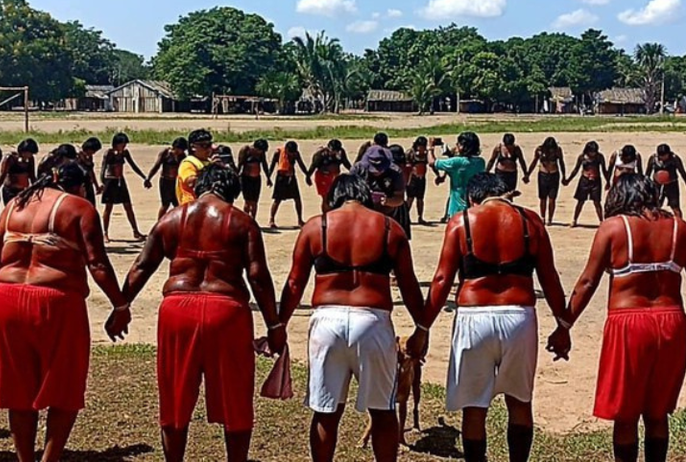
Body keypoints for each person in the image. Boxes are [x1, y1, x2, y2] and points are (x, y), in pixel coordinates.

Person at [118, 164, 286, 462]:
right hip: (226, 310)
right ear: (231, 192)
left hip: (177, 310)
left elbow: (142, 266)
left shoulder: (171, 219)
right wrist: (274, 325)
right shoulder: (242, 222)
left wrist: (122, 305)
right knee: (236, 397)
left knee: (175, 394)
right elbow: (258, 277)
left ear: (198, 187)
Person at [0, 161, 130, 462]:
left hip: (6, 298)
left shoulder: (12, 206)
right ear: (79, 186)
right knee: (64, 385)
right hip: (56, 302)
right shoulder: (79, 208)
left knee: (19, 390)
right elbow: (97, 263)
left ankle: (25, 459)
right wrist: (120, 304)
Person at [415, 173, 570, 462]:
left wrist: (423, 327)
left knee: (474, 407)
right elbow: (549, 277)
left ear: (473, 198)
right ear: (507, 193)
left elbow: (441, 280)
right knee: (520, 401)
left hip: (474, 318)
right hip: (519, 317)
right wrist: (563, 325)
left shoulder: (461, 222)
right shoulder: (531, 221)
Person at [278, 174, 427, 462]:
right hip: (373, 322)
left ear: (334, 197)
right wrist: (422, 327)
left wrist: (279, 325)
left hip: (326, 322)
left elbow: (295, 284)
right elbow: (409, 285)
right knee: (383, 411)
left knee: (326, 412)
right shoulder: (390, 229)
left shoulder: (315, 227)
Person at [555, 174, 686, 462]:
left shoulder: (613, 228)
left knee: (625, 415)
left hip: (629, 323)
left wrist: (564, 325)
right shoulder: (679, 227)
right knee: (657, 411)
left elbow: (588, 282)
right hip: (673, 321)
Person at [352, 146, 412, 239]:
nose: (377, 172)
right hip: (362, 216)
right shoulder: (358, 170)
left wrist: (388, 201)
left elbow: (399, 198)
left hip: (389, 215)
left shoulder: (395, 172)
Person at [100, 133, 148, 242]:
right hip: (110, 181)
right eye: (123, 143)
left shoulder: (124, 153)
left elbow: (133, 165)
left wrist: (143, 177)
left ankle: (135, 231)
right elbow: (103, 168)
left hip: (120, 180)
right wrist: (102, 182)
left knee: (128, 206)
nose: (124, 146)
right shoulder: (109, 153)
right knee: (108, 208)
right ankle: (105, 233)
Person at [428, 132, 486, 220]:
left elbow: (432, 162)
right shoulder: (481, 162)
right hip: (474, 207)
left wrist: (430, 148)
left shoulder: (457, 162)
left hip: (457, 208)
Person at [564, 141, 607, 227]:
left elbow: (604, 170)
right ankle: (574, 220)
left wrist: (608, 181)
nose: (593, 153)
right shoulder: (582, 157)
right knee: (580, 201)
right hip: (584, 180)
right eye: (591, 151)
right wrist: (568, 179)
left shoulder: (599, 157)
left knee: (597, 202)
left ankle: (601, 221)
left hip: (596, 180)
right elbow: (576, 169)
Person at [524, 137, 566, 225]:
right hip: (543, 175)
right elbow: (534, 162)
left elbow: (561, 162)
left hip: (554, 175)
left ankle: (550, 218)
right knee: (543, 198)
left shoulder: (557, 150)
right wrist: (528, 174)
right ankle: (543, 217)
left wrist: (564, 176)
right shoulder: (539, 150)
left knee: (552, 199)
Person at [268, 141, 310, 229]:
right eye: (290, 152)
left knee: (297, 199)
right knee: (277, 199)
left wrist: (307, 175)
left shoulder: (296, 154)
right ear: (286, 149)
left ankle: (300, 220)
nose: (292, 154)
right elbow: (272, 165)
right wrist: (269, 177)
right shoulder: (278, 153)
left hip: (291, 177)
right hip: (281, 178)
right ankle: (271, 220)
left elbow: (301, 164)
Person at [146, 137, 188, 219]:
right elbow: (156, 166)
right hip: (165, 182)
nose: (180, 152)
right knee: (165, 204)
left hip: (175, 182)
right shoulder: (165, 153)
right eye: (179, 149)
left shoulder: (182, 156)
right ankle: (159, 224)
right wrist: (149, 178)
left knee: (178, 204)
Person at [307, 139, 352, 213]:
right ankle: (325, 216)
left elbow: (346, 162)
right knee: (326, 198)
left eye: (336, 150)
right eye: (333, 150)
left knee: (336, 196)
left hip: (335, 177)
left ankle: (333, 214)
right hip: (323, 177)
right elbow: (313, 166)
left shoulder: (341, 153)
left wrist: (352, 171)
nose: (335, 152)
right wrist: (308, 177)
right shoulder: (320, 155)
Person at [646, 143, 686, 219]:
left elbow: (682, 172)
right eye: (660, 155)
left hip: (671, 185)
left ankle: (679, 221)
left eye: (664, 155)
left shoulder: (674, 159)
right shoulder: (653, 159)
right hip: (657, 185)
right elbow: (647, 173)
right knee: (656, 205)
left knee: (675, 206)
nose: (662, 157)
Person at [176, 129, 214, 207]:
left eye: (209, 145)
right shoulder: (188, 163)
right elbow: (191, 182)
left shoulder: (209, 162)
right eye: (203, 145)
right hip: (191, 206)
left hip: (206, 205)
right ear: (193, 147)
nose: (208, 149)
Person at [237, 139, 272, 219]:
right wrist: (236, 177)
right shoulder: (246, 150)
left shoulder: (261, 153)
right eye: (259, 150)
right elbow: (240, 164)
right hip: (246, 179)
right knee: (247, 202)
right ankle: (245, 219)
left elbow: (264, 164)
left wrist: (268, 177)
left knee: (255, 202)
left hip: (256, 179)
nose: (260, 152)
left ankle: (253, 220)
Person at [0, 138, 38, 205]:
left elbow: (32, 176)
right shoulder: (10, 158)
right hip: (10, 191)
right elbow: (2, 176)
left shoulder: (30, 160)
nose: (29, 155)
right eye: (28, 153)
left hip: (23, 191)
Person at [406, 137, 432, 224]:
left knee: (420, 199)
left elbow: (432, 164)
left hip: (421, 179)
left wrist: (438, 175)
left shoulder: (426, 154)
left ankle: (420, 217)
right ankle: (406, 216)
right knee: (410, 198)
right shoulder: (410, 153)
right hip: (412, 178)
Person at [77, 137, 103, 207]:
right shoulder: (78, 156)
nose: (94, 153)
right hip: (80, 185)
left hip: (88, 184)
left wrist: (96, 186)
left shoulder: (89, 157)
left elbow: (91, 172)